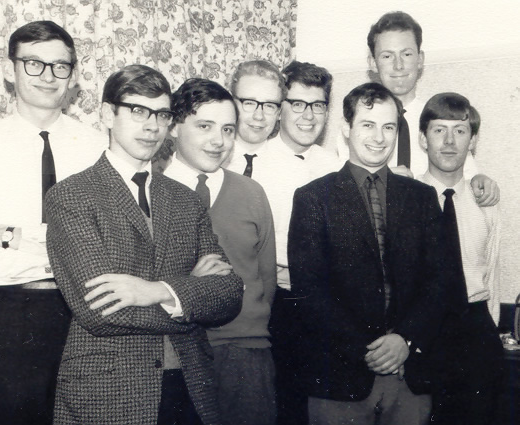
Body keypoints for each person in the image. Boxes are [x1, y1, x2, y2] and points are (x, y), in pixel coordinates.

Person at [44, 65, 244, 425]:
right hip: (110, 395)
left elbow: (229, 294)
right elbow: (103, 311)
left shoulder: (185, 199)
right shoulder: (71, 196)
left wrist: (156, 291)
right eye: (138, 111)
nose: (152, 126)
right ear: (107, 113)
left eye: (162, 114)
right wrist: (189, 293)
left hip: (191, 388)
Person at [0, 21, 107, 425]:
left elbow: (113, 244)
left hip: (91, 317)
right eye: (34, 64)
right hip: (14, 321)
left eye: (60, 66)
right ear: (9, 70)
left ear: (73, 76)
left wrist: (19, 238)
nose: (48, 76)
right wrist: (66, 254)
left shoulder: (98, 149)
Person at [288, 82, 447, 425]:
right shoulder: (313, 198)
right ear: (346, 129)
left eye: (388, 127)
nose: (379, 137)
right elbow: (309, 291)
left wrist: (404, 339)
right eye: (368, 125)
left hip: (409, 377)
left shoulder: (422, 198)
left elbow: (440, 282)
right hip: (339, 378)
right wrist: (374, 351)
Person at [164, 78, 277, 425]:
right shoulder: (150, 192)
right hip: (174, 353)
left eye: (228, 129)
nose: (218, 140)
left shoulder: (251, 192)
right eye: (204, 126)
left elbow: (266, 278)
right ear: (173, 126)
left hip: (245, 355)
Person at [335, 11, 499, 206]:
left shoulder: (440, 118)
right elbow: (343, 188)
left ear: (420, 59)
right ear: (373, 62)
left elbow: (467, 176)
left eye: (406, 54)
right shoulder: (357, 125)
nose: (398, 66)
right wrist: (380, 176)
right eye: (387, 56)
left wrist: (480, 181)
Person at [258, 60, 340, 425]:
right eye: (298, 104)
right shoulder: (254, 161)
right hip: (274, 300)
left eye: (318, 105)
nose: (309, 116)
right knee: (280, 405)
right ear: (280, 109)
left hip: (325, 303)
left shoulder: (335, 165)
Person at [417, 93, 503, 425]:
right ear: (424, 139)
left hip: (476, 329)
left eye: (460, 131)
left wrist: (489, 333)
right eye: (439, 130)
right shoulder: (408, 196)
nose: (450, 141)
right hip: (424, 332)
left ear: (474, 140)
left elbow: (493, 269)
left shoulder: (487, 200)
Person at [223, 59, 286, 179]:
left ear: (279, 112)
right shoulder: (208, 163)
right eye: (249, 103)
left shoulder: (295, 171)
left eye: (269, 105)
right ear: (231, 104)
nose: (259, 116)